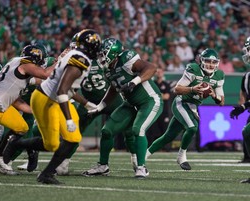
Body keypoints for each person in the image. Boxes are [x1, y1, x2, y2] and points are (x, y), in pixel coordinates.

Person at [2, 29, 102, 185]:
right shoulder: (80, 60)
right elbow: (62, 91)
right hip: (45, 99)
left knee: (73, 138)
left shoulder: (74, 55)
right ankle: (15, 143)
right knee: (52, 144)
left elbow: (67, 88)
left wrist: (86, 103)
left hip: (54, 99)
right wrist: (68, 119)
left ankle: (46, 174)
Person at [0, 45, 55, 174]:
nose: (41, 65)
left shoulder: (17, 64)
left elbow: (16, 101)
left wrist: (37, 111)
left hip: (2, 107)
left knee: (21, 127)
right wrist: (62, 61)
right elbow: (46, 74)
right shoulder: (25, 65)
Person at [82, 38, 163, 178]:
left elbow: (152, 68)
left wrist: (134, 81)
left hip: (149, 100)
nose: (101, 57)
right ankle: (103, 166)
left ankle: (141, 167)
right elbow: (113, 88)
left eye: (103, 54)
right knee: (107, 131)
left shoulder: (126, 59)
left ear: (113, 53)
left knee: (138, 129)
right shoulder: (108, 69)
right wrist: (100, 107)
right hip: (130, 104)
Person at [146, 48, 225, 170]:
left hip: (193, 106)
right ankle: (181, 156)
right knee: (192, 128)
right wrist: (193, 89)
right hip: (181, 102)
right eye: (208, 61)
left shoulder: (219, 75)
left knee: (168, 136)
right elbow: (177, 89)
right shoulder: (194, 69)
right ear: (202, 61)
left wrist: (214, 95)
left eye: (214, 62)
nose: (211, 64)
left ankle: (143, 156)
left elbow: (221, 102)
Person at [230, 36, 250, 183]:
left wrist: (244, 106)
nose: (247, 52)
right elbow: (244, 95)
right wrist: (243, 106)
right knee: (247, 131)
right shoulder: (247, 76)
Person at [146, 68, 171, 146]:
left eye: (160, 72)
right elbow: (149, 96)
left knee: (164, 129)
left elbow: (167, 96)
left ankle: (166, 148)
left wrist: (156, 96)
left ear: (163, 73)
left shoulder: (166, 84)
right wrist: (160, 96)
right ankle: (150, 147)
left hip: (163, 111)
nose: (159, 73)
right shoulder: (152, 84)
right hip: (154, 110)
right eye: (157, 72)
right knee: (152, 130)